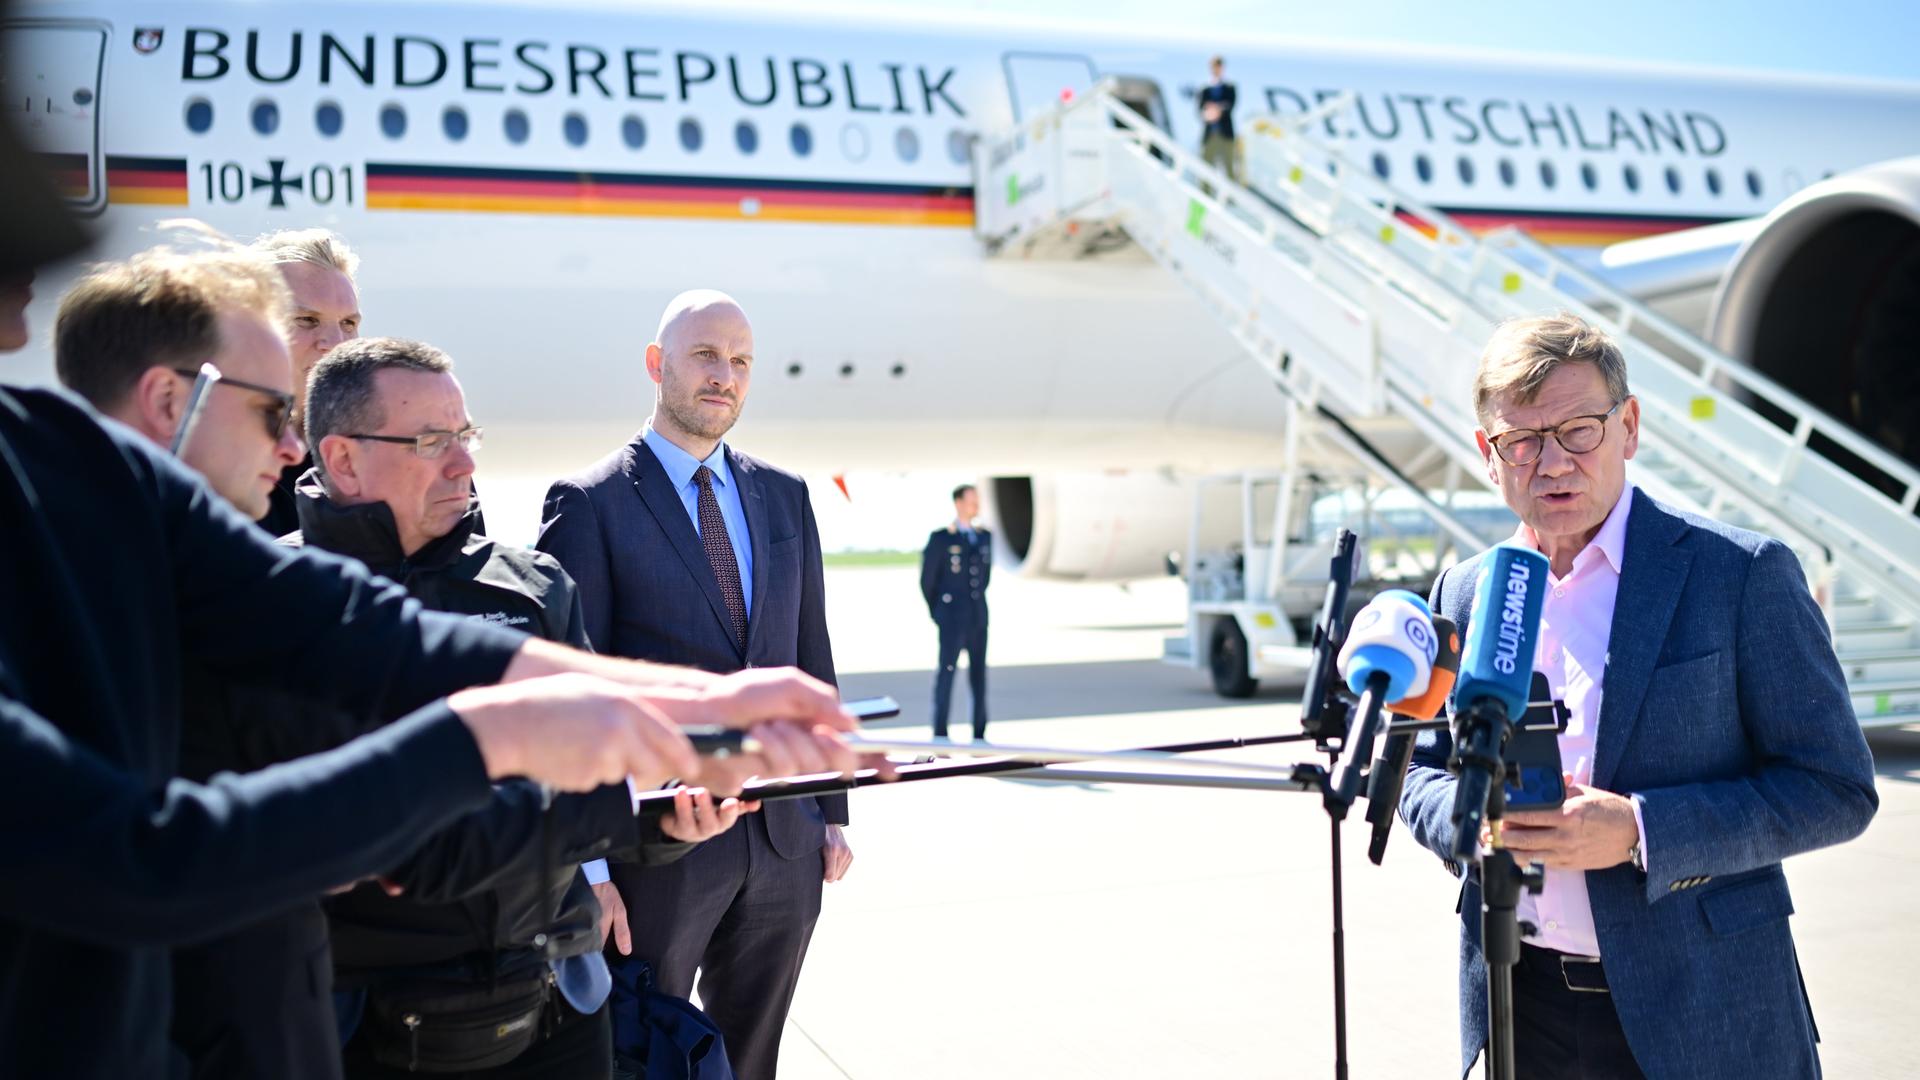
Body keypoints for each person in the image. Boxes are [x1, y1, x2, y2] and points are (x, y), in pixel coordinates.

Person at [6, 245, 875, 1077]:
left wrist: (707, 709)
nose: (292, 446)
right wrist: (489, 738)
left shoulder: (124, 501)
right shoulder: (46, 523)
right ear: (168, 400)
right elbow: (151, 857)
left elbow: (368, 630)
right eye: (275, 414)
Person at [1398, 314, 1878, 1079]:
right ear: (1490, 456)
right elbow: (1420, 768)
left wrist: (1640, 831)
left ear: (1629, 427)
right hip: (1523, 1006)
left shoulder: (1739, 574)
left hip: (1706, 1012)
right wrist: (1472, 821)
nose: (1552, 463)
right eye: (1522, 440)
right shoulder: (1467, 589)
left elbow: (1837, 788)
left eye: (1578, 430)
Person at [288, 337, 750, 1078]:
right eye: (432, 441)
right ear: (342, 459)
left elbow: (598, 772)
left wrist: (668, 820)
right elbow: (392, 840)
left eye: (465, 436)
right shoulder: (277, 602)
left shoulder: (532, 588)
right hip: (356, 1022)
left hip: (552, 1015)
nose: (465, 464)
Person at [539, 290, 848, 1080]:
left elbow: (811, 658)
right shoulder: (590, 503)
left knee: (753, 1059)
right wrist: (593, 871)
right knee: (646, 1057)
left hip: (783, 839)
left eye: (741, 361)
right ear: (658, 365)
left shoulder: (785, 495)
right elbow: (575, 695)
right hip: (658, 855)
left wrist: (832, 811)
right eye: (706, 356)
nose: (725, 376)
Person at [250, 227, 364, 536]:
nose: (334, 342)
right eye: (306, 320)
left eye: (348, 323)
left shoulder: (390, 452)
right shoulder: (208, 457)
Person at [920, 484, 992, 740]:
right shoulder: (942, 538)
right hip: (951, 618)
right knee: (947, 673)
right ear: (959, 503)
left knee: (979, 676)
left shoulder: (984, 537)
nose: (976, 506)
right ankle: (940, 731)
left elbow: (984, 578)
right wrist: (938, 612)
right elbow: (928, 581)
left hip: (977, 618)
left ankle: (980, 732)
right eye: (972, 501)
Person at [1198, 56, 1238, 182]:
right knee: (1206, 167)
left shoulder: (1230, 87)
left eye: (1218, 67)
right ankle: (1204, 196)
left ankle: (1231, 199)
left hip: (1225, 134)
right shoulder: (1205, 88)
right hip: (1210, 134)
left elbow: (1230, 106)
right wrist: (1208, 114)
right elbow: (1200, 109)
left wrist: (1217, 110)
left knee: (1229, 167)